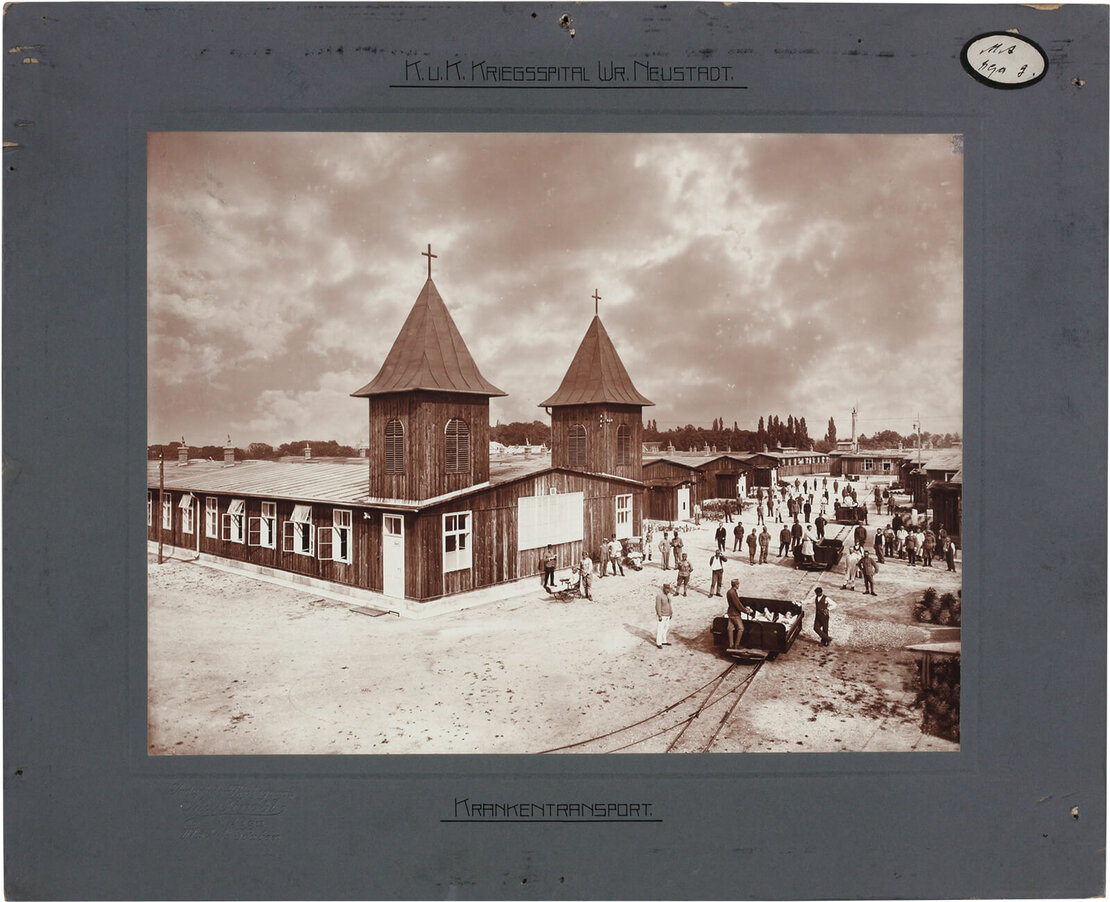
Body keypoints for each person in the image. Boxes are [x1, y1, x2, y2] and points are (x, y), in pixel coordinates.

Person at [726, 578, 753, 649]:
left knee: (730, 628)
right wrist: (746, 611)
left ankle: (731, 644)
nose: (739, 586)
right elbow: (737, 604)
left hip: (730, 613)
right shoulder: (733, 593)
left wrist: (744, 609)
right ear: (736, 585)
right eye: (738, 584)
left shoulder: (729, 591)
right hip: (735, 614)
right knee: (741, 628)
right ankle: (736, 645)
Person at [655, 583, 673, 648]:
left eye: (668, 589)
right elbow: (658, 606)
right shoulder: (659, 596)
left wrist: (671, 613)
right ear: (663, 589)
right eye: (666, 589)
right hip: (662, 615)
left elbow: (670, 605)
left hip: (667, 615)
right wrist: (659, 615)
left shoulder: (668, 596)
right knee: (660, 629)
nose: (667, 590)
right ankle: (658, 643)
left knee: (666, 628)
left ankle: (664, 641)